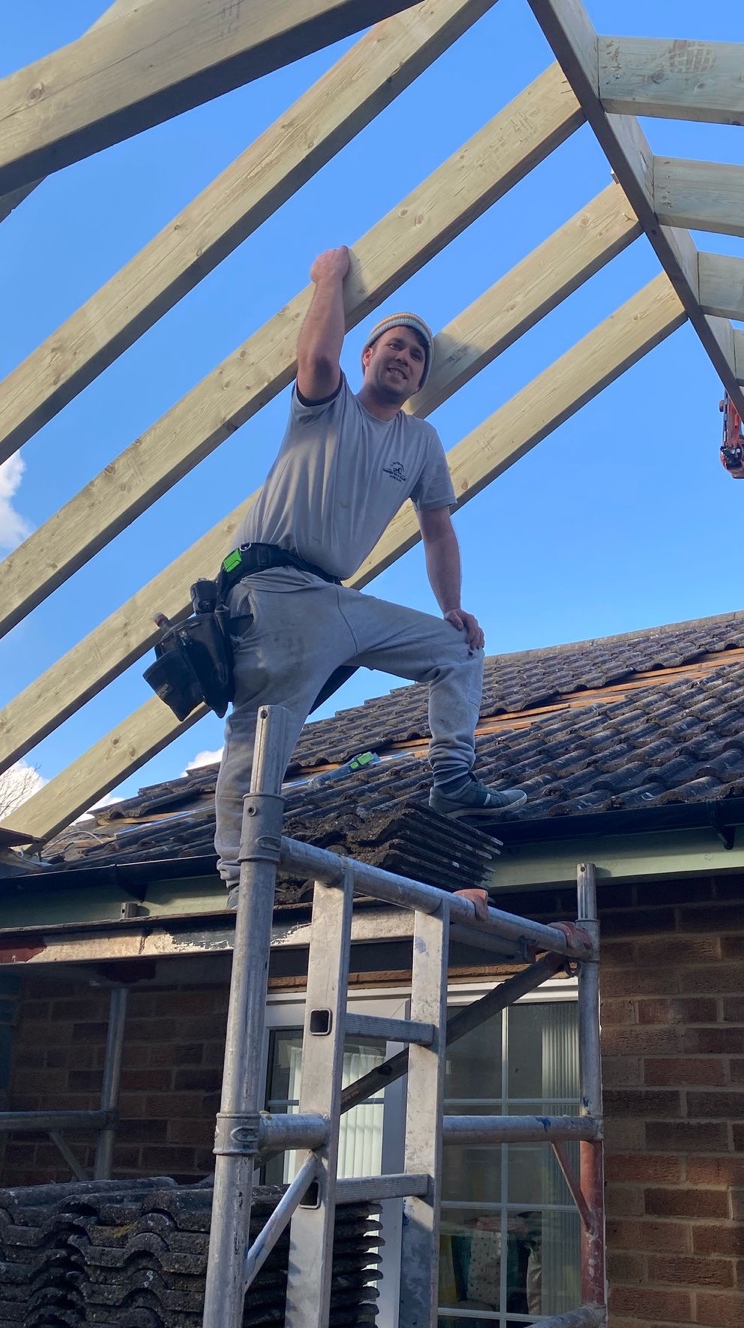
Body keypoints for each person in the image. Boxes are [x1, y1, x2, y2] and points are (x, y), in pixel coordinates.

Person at [213, 245, 527, 899]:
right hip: (274, 590)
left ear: (420, 378)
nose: (403, 358)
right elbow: (317, 358)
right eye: (392, 345)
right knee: (263, 732)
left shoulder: (421, 441)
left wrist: (453, 606)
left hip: (336, 600)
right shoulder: (327, 406)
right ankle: (240, 872)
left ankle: (450, 777)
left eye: (415, 355)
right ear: (367, 355)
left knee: (458, 650)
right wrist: (328, 279)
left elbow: (438, 527)